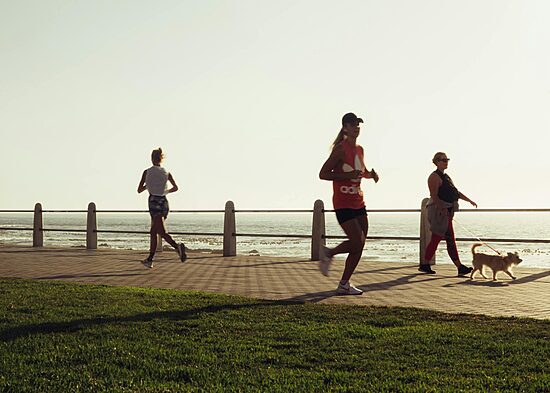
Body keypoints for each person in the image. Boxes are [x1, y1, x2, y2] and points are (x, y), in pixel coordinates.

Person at [318, 112, 379, 295]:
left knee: (360, 244)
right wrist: (346, 176)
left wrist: (371, 175)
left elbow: (361, 171)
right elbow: (323, 174)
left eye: (358, 124)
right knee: (356, 241)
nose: (356, 127)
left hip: (359, 202)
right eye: (353, 124)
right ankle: (329, 253)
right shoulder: (340, 149)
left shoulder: (360, 149)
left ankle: (344, 284)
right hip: (343, 202)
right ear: (345, 127)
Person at [420, 152, 476, 275]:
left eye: (447, 160)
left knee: (445, 238)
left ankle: (428, 264)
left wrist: (469, 200)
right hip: (438, 212)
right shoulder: (434, 177)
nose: (446, 162)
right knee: (438, 238)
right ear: (437, 162)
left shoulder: (446, 177)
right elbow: (434, 195)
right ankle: (426, 264)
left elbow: (455, 192)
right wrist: (442, 209)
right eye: (443, 160)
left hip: (446, 211)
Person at [137, 148, 186, 268]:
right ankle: (150, 259)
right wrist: (165, 191)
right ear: (161, 158)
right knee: (153, 231)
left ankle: (177, 247)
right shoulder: (166, 172)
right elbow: (175, 188)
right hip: (164, 202)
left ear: (151, 158)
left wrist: (147, 186)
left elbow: (139, 190)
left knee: (162, 232)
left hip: (154, 202)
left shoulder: (147, 172)